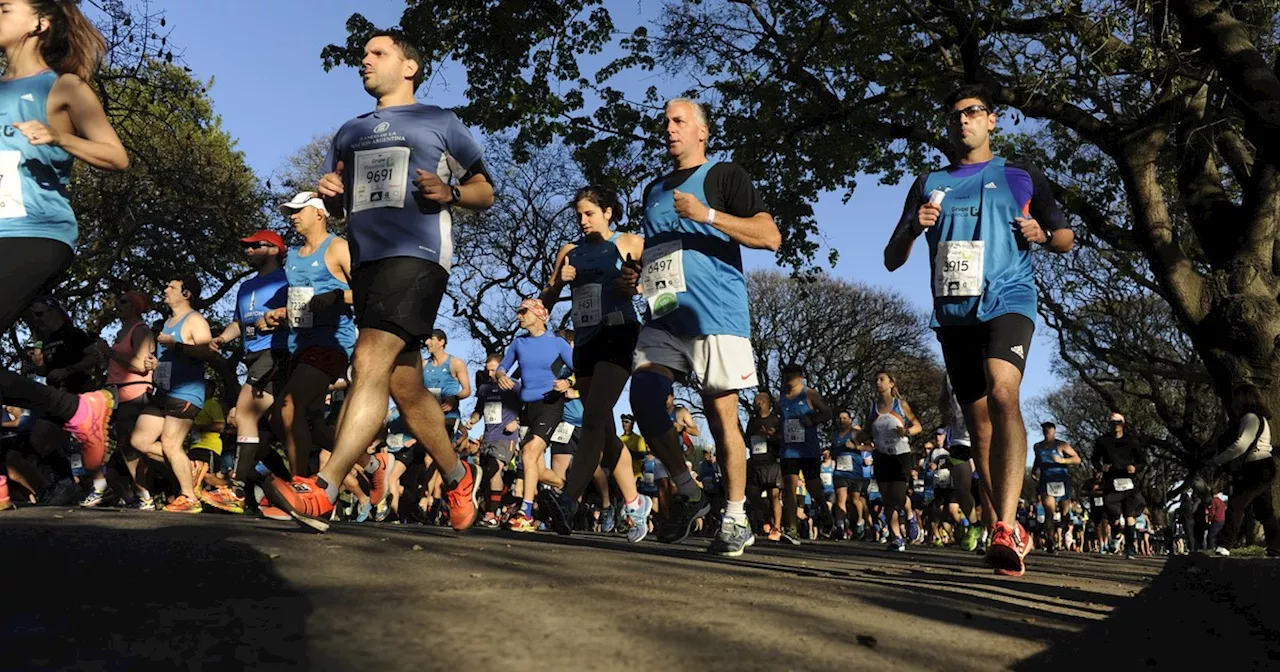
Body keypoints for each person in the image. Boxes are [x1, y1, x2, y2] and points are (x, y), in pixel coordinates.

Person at [261, 31, 492, 532]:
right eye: (363, 54)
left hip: (419, 254)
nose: (364, 60)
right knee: (404, 383)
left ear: (409, 67)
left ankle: (322, 489)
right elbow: (342, 209)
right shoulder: (348, 132)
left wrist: (451, 192)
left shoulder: (440, 121)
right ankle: (457, 474)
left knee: (367, 358)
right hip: (368, 262)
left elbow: (485, 191)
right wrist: (331, 195)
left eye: (377, 53)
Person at [884, 84, 1074, 575]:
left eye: (972, 112)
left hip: (1009, 297)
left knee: (1004, 392)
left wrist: (1043, 235)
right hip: (954, 314)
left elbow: (1065, 236)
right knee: (980, 427)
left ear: (992, 121)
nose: (962, 121)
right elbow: (890, 257)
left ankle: (1008, 526)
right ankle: (1003, 523)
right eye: (954, 116)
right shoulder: (927, 182)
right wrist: (914, 226)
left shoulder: (1019, 173)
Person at [622, 97, 780, 557]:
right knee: (645, 399)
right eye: (665, 122)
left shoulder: (724, 176)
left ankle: (734, 516)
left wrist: (706, 214)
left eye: (679, 122)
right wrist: (637, 276)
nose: (669, 129)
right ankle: (689, 491)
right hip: (665, 314)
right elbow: (657, 249)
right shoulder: (653, 189)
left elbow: (770, 237)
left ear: (701, 132)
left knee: (720, 415)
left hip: (716, 316)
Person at [0, 0, 127, 481]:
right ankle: (77, 411)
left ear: (40, 21)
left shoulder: (62, 86)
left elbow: (115, 156)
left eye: (4, 7)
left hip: (38, 231)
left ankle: (71, 412)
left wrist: (59, 137)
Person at [538, 187, 653, 542]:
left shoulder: (630, 242)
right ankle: (635, 504)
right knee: (601, 427)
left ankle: (568, 503)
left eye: (589, 213)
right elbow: (546, 298)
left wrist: (633, 285)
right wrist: (559, 282)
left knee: (592, 418)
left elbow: (658, 286)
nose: (582, 220)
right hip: (585, 341)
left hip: (620, 334)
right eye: (577, 215)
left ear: (608, 212)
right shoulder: (569, 252)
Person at [207, 229, 289, 513]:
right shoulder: (245, 287)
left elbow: (303, 315)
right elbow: (239, 324)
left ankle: (237, 488)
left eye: (256, 246)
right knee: (281, 427)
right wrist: (221, 338)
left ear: (275, 249)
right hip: (252, 358)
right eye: (247, 246)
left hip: (277, 353)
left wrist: (280, 320)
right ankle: (295, 488)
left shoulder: (288, 281)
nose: (248, 250)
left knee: (244, 412)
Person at [130, 276, 213, 513]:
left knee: (170, 444)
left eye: (171, 287)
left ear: (186, 294)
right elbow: (172, 359)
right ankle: (191, 467)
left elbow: (208, 352)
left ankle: (189, 497)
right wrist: (154, 363)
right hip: (163, 391)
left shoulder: (194, 319)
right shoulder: (168, 322)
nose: (165, 289)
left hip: (186, 392)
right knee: (140, 441)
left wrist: (175, 344)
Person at [494, 298, 574, 532]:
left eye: (523, 311)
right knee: (535, 469)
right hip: (527, 409)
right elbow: (502, 367)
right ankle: (567, 490)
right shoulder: (518, 343)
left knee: (528, 454)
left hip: (550, 404)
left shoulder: (558, 343)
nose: (519, 315)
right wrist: (501, 377)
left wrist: (567, 382)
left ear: (539, 314)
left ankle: (525, 514)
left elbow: (580, 370)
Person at [83, 291, 154, 508]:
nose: (118, 306)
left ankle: (145, 495)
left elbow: (142, 365)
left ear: (135, 306)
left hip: (134, 393)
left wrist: (111, 353)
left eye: (123, 302)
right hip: (117, 394)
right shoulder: (122, 332)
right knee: (116, 448)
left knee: (129, 445)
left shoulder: (140, 330)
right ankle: (132, 498)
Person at [1207, 384, 1279, 557]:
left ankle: (1224, 545)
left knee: (1236, 504)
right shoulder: (1260, 418)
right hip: (1264, 467)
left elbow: (1240, 445)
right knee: (1264, 511)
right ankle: (1276, 546)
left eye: (1237, 397)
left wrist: (1218, 460)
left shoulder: (1251, 418)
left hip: (1258, 468)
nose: (1235, 402)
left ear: (1245, 398)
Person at [863, 371, 922, 552]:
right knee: (887, 500)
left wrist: (906, 432)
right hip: (881, 456)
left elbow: (918, 426)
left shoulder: (900, 405)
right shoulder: (872, 408)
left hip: (900, 455)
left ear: (891, 383)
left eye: (882, 379)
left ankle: (910, 516)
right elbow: (867, 432)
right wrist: (859, 437)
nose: (878, 382)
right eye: (876, 380)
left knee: (898, 495)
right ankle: (897, 538)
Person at [778, 364, 833, 545]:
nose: (789, 378)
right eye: (787, 374)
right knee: (789, 489)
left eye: (793, 374)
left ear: (801, 376)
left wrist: (812, 420)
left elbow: (827, 413)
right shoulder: (781, 398)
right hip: (788, 450)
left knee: (813, 486)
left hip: (808, 449)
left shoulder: (809, 394)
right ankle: (791, 529)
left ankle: (823, 508)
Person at [1092, 412, 1147, 560]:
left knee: (1130, 517)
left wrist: (1135, 468)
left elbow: (1142, 461)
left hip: (1129, 483)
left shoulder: (1132, 441)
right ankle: (1116, 532)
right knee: (1114, 517)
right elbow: (1094, 459)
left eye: (1118, 423)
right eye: (1112, 423)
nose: (1115, 426)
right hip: (1111, 483)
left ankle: (1130, 548)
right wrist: (1100, 467)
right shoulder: (1102, 441)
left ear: (1123, 424)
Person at [1030, 421, 1081, 554]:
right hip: (1046, 481)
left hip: (1062, 481)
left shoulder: (1061, 445)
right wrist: (1034, 470)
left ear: (1054, 431)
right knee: (1049, 512)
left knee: (1064, 513)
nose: (1046, 432)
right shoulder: (1038, 446)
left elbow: (1077, 459)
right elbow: (1037, 459)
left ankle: (1065, 528)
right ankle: (1050, 540)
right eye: (1044, 430)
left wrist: (1063, 461)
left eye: (1049, 430)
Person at [744, 391, 784, 541]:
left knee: (774, 495)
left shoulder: (776, 420)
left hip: (771, 463)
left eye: (756, 401)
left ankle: (777, 527)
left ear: (762, 402)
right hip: (755, 462)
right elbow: (747, 441)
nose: (754, 404)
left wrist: (770, 436)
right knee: (752, 494)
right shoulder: (752, 421)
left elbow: (783, 440)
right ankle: (767, 515)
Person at [421, 328, 470, 442]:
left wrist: (454, 398)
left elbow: (467, 390)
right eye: (426, 340)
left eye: (431, 339)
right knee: (426, 456)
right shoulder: (424, 365)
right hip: (429, 416)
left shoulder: (455, 363)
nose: (427, 342)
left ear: (441, 342)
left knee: (433, 456)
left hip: (448, 416)